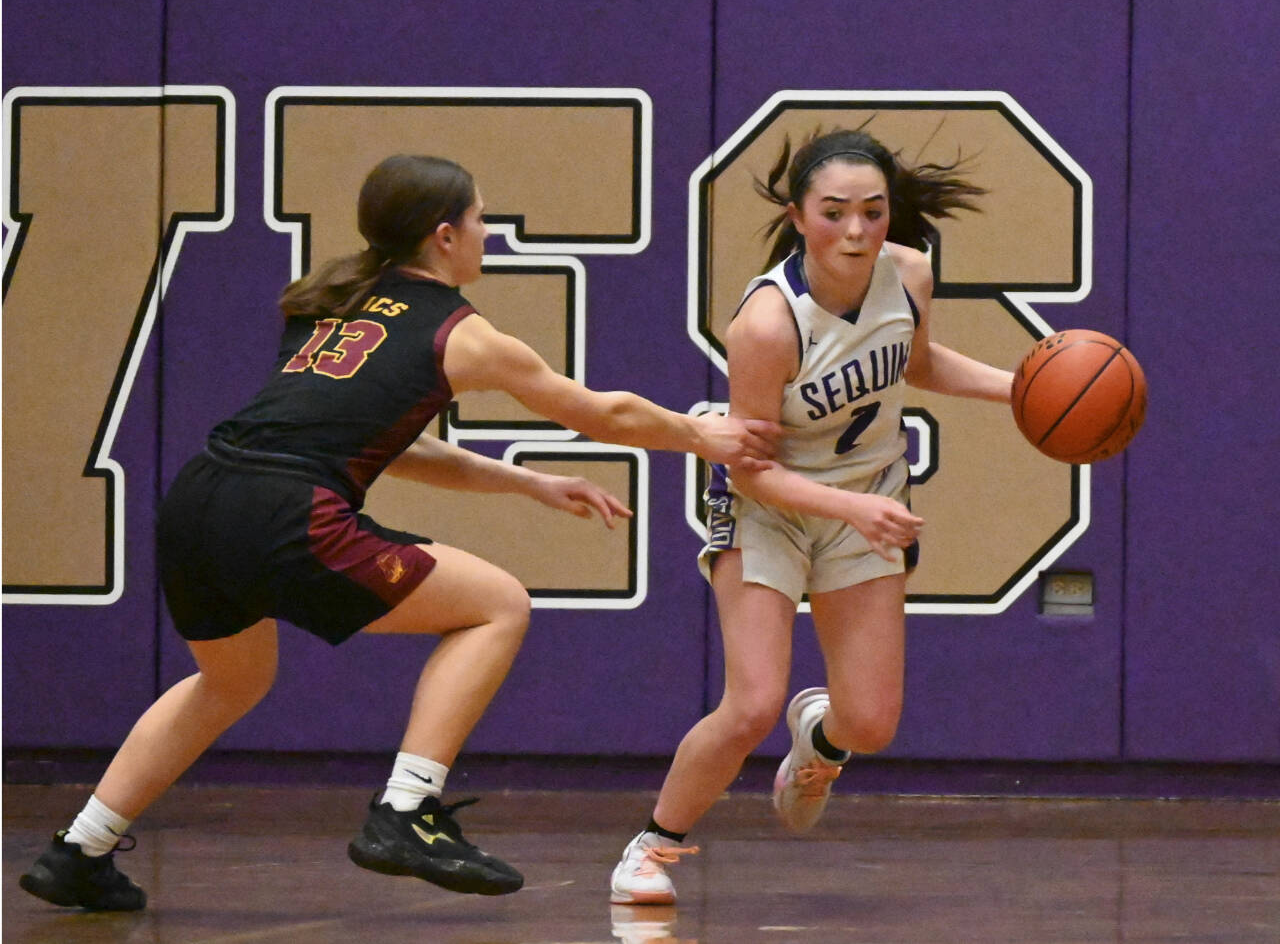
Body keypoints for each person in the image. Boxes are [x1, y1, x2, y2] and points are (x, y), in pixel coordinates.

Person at [18, 154, 779, 912]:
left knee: (231, 678)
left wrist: (529, 482)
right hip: (287, 510)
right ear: (444, 236)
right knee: (498, 604)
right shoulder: (464, 332)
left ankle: (79, 847)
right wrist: (699, 435)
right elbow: (601, 413)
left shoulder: (332, 300)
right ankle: (407, 808)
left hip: (199, 502)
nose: (490, 235)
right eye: (482, 220)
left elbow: (387, 443)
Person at [609, 128, 1014, 905]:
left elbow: (919, 363)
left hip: (863, 499)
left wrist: (1023, 385)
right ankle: (651, 846)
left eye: (873, 211)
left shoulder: (911, 273)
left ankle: (820, 738)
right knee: (752, 699)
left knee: (872, 722)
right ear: (798, 216)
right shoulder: (766, 324)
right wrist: (853, 505)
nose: (857, 230)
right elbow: (750, 469)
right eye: (835, 213)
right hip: (771, 506)